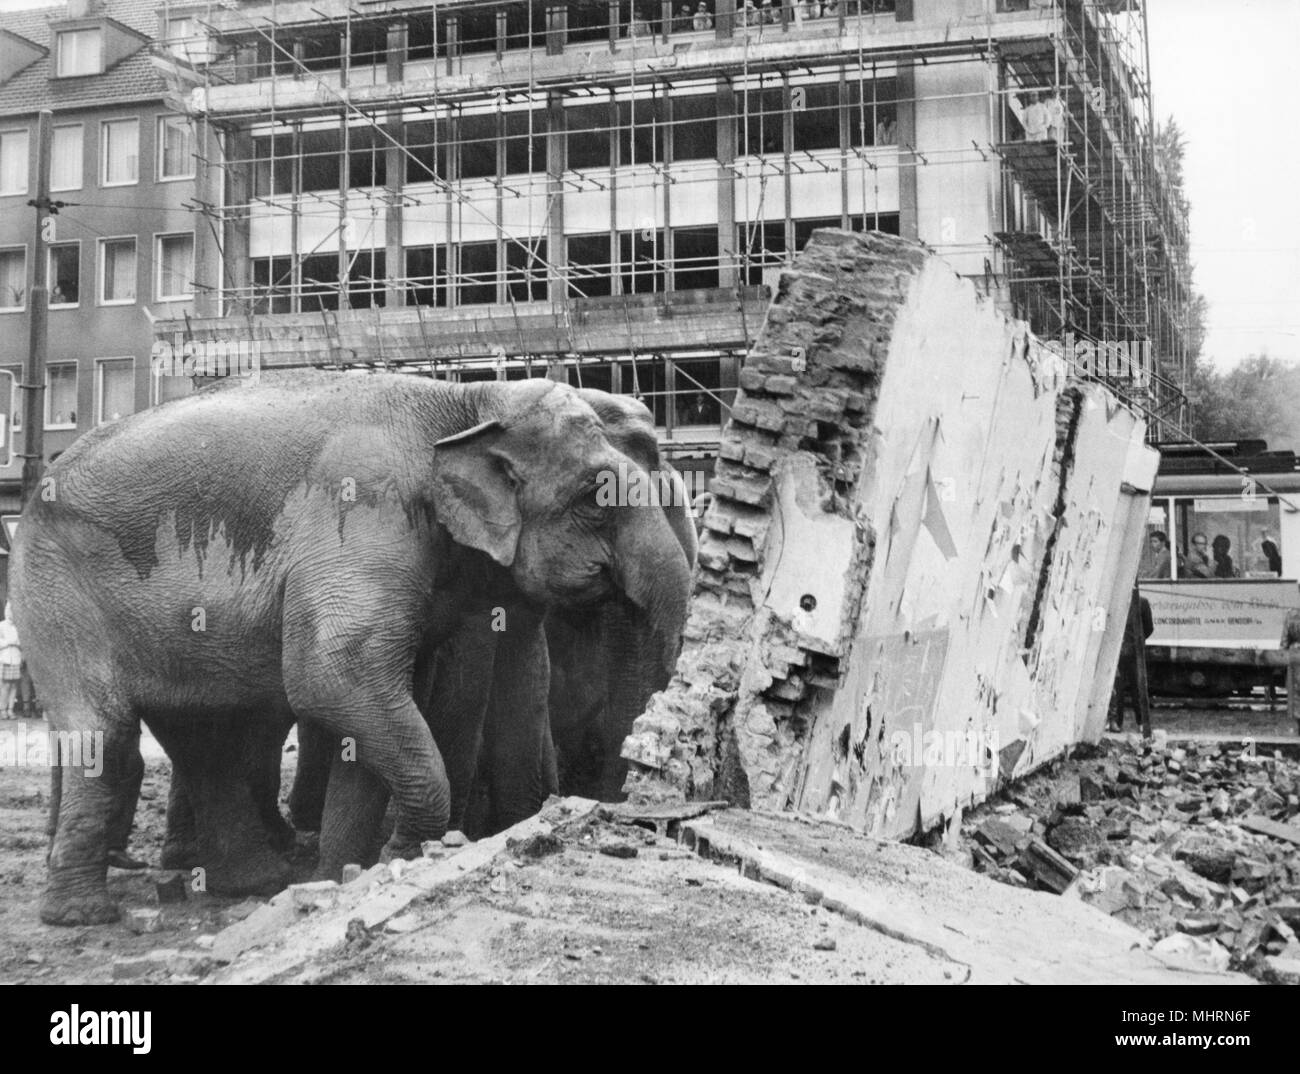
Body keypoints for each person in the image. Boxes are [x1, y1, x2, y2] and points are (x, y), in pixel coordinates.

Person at [1108, 591, 1154, 733]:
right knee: (1117, 689)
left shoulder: (1143, 603)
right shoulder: (1115, 602)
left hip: (1135, 653)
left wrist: (1138, 641)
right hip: (1118, 651)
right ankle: (1116, 722)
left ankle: (1142, 722)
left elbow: (1149, 627)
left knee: (1138, 687)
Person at [0, 603, 20, 718]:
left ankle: (10, 709)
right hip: (5, 658)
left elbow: (20, 641)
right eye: (8, 610)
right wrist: (8, 642)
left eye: (12, 610)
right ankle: (3, 709)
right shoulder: (1, 625)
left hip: (16, 658)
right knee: (5, 685)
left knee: (14, 686)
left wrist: (14, 642)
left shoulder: (18, 626)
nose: (9, 612)